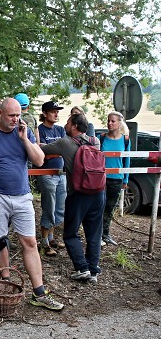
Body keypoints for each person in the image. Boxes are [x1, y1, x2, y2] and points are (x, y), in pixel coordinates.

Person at [0, 98, 64, 311]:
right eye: (11, 115)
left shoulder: (24, 132)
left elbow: (40, 160)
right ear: (1, 114)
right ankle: (6, 283)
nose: (16, 119)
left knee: (29, 242)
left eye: (18, 115)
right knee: (0, 241)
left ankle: (39, 292)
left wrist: (24, 139)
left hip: (22, 196)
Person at [40, 113, 104, 283]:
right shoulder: (95, 141)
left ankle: (82, 268)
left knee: (70, 233)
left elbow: (42, 149)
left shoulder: (64, 143)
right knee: (94, 234)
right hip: (98, 192)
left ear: (75, 125)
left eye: (68, 123)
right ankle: (93, 270)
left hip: (79, 194)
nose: (66, 125)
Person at [35, 101, 67, 256]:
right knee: (49, 206)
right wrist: (57, 151)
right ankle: (44, 242)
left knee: (59, 207)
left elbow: (66, 149)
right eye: (53, 111)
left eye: (57, 111)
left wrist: (51, 150)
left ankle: (52, 237)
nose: (56, 114)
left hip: (61, 173)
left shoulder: (60, 130)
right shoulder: (39, 130)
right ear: (45, 113)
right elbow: (41, 153)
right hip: (46, 172)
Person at [98, 111, 131, 246]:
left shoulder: (125, 139)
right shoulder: (102, 137)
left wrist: (125, 179)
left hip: (117, 178)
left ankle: (105, 234)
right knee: (99, 206)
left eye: (113, 121)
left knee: (110, 208)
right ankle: (96, 235)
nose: (110, 123)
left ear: (119, 123)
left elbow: (127, 159)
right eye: (108, 121)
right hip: (101, 178)